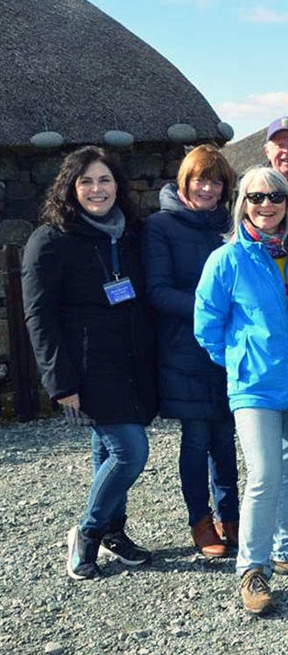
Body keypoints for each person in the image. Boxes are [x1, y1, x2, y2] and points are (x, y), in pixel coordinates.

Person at [195, 167, 288, 615]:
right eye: (255, 197)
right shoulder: (227, 259)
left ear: (287, 203)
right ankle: (252, 567)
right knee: (265, 474)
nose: (266, 205)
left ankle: (287, 548)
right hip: (255, 388)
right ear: (243, 204)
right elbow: (206, 325)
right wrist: (242, 362)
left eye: (275, 196)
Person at [22, 146, 157, 580]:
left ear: (118, 185)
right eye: (86, 181)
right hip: (86, 368)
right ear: (70, 188)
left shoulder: (129, 233)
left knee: (106, 450)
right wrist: (60, 382)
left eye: (104, 180)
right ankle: (87, 530)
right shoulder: (50, 240)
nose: (97, 189)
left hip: (130, 362)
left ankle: (113, 532)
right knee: (130, 452)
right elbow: (38, 317)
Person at [143, 145, 239, 558]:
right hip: (185, 348)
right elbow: (158, 291)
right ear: (185, 181)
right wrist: (213, 311)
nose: (208, 188)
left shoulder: (232, 225)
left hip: (228, 348)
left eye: (216, 181)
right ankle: (200, 520)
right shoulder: (160, 227)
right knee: (197, 438)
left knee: (226, 438)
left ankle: (231, 517)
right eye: (201, 179)